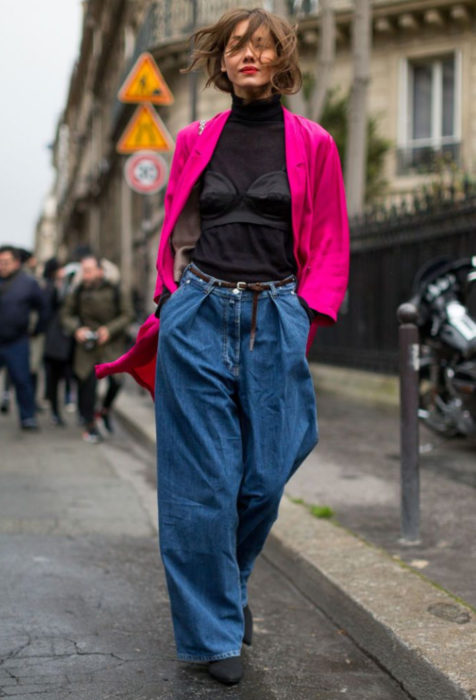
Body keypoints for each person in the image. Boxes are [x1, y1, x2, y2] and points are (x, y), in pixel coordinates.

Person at [96, 7, 349, 685]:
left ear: (281, 61)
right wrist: (171, 299)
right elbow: (179, 224)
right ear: (224, 60)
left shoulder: (314, 142)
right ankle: (213, 631)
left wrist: (307, 316)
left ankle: (226, 582)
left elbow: (327, 236)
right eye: (238, 45)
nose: (249, 55)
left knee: (265, 475)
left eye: (263, 47)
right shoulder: (194, 138)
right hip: (201, 310)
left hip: (275, 315)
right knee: (200, 486)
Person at [61, 255, 133, 443]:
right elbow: (66, 315)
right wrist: (77, 329)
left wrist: (108, 330)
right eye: (83, 271)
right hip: (86, 346)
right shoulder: (77, 291)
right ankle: (90, 425)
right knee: (87, 386)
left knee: (116, 382)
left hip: (111, 343)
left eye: (89, 270)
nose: (85, 275)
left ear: (100, 271)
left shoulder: (116, 288)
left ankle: (105, 410)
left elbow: (127, 315)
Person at [0, 245, 48, 430]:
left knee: (22, 379)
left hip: (17, 340)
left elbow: (43, 308)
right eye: (0, 262)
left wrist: (36, 330)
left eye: (6, 262)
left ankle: (27, 417)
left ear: (16, 263)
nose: (2, 266)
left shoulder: (28, 283)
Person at [42, 258, 74, 426]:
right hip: (55, 338)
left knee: (68, 374)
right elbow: (48, 309)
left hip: (68, 338)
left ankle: (68, 399)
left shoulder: (70, 286)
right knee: (53, 377)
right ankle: (55, 409)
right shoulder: (49, 287)